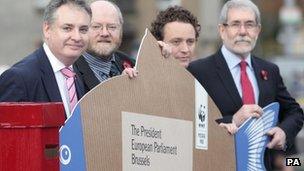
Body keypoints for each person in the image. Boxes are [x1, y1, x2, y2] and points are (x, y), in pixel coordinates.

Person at [187, 0, 303, 170]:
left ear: (257, 30)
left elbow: (295, 112)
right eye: (235, 24)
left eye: (249, 24)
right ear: (222, 30)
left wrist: (283, 132)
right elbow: (188, 123)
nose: (243, 31)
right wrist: (232, 120)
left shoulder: (269, 70)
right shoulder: (199, 71)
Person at [0, 0, 92, 118]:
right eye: (67, 28)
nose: (77, 37)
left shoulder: (78, 74)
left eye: (83, 29)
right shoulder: (18, 78)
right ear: (47, 29)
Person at [73, 0, 136, 93]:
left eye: (112, 27)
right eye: (96, 26)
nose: (105, 33)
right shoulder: (68, 71)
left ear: (121, 30)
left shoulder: (133, 64)